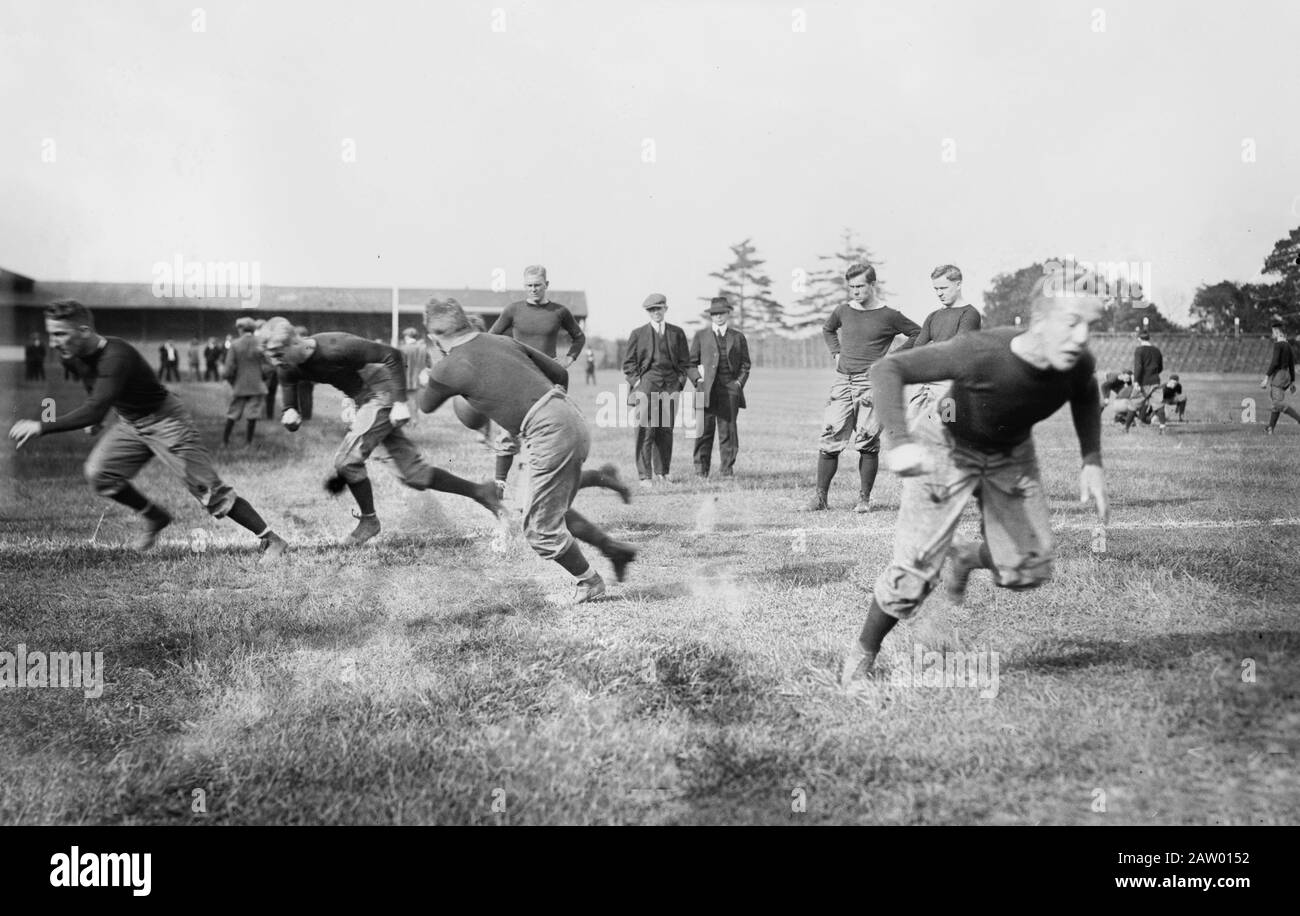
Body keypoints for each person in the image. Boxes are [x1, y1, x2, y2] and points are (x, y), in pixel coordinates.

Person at [840, 280, 1107, 686]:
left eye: (1090, 325)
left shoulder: (1077, 361)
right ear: (1039, 321)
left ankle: (965, 557)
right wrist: (900, 442)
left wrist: (1091, 460)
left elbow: (1086, 392)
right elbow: (888, 368)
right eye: (1071, 323)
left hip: (1010, 455)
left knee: (1026, 569)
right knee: (914, 574)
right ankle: (863, 653)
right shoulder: (980, 352)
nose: (1083, 338)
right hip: (945, 446)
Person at [7, 300, 287, 561]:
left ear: (83, 330)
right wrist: (101, 416)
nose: (54, 342)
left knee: (209, 492)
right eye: (51, 334)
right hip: (131, 423)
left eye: (60, 334)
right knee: (99, 474)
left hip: (167, 421)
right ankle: (155, 517)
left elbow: (93, 406)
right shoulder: (72, 354)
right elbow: (93, 386)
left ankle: (271, 539)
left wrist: (42, 425)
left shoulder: (117, 356)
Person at [419, 298, 635, 603]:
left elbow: (425, 405)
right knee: (540, 507)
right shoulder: (503, 340)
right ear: (465, 322)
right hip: (569, 415)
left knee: (538, 531)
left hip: (547, 432)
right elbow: (561, 374)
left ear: (434, 335)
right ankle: (614, 550)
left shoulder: (448, 366)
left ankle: (590, 582)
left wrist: (434, 374)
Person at [257, 317, 502, 545]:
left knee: (346, 461)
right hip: (364, 399)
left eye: (278, 354)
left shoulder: (336, 345)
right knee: (413, 475)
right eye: (271, 357)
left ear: (295, 342)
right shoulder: (286, 366)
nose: (275, 362)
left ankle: (369, 520)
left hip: (382, 393)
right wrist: (290, 412)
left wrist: (399, 402)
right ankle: (482, 492)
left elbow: (392, 355)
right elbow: (289, 391)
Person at [811, 264, 921, 511]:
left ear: (873, 285)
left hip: (871, 385)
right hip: (842, 381)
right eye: (851, 287)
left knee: (867, 440)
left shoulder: (890, 315)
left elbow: (918, 333)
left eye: (860, 286)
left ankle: (863, 499)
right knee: (830, 437)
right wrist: (836, 353)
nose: (855, 291)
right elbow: (828, 329)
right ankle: (820, 498)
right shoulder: (842, 311)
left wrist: (891, 358)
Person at [487, 265, 586, 495]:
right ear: (524, 286)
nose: (533, 289)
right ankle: (499, 484)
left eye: (537, 285)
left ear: (546, 285)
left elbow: (579, 337)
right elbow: (491, 337)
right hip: (518, 376)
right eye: (529, 286)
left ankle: (546, 485)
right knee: (508, 429)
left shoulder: (559, 311)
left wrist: (568, 359)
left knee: (550, 430)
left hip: (547, 378)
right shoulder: (513, 310)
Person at [622, 294, 691, 487]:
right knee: (645, 430)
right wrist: (638, 383)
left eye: (659, 308)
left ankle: (663, 472)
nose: (656, 312)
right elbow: (628, 364)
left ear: (665, 309)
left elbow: (685, 362)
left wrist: (679, 382)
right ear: (648, 312)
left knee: (665, 430)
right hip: (647, 384)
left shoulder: (677, 333)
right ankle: (645, 476)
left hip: (670, 385)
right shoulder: (638, 334)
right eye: (652, 310)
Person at [689, 297, 750, 479]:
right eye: (715, 314)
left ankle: (726, 470)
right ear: (711, 316)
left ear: (728, 314)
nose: (718, 317)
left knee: (728, 433)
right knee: (703, 433)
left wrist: (738, 384)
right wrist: (698, 380)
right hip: (704, 392)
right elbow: (690, 364)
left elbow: (746, 365)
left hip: (729, 391)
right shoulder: (700, 336)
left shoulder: (738, 337)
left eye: (722, 313)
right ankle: (701, 471)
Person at [222, 317, 268, 447]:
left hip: (240, 385)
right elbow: (269, 365)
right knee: (253, 414)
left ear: (241, 329)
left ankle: (225, 441)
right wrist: (262, 377)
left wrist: (231, 380)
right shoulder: (260, 343)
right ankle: (248, 442)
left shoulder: (235, 345)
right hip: (257, 384)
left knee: (233, 413)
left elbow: (228, 368)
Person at [1261, 320, 1300, 434]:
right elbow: (1291, 364)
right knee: (1275, 402)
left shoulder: (1278, 344)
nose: (1273, 334)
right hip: (1286, 375)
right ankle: (1270, 428)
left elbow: (1274, 362)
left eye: (1273, 331)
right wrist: (1292, 381)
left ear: (1277, 331)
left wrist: (1266, 377)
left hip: (1279, 376)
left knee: (1277, 403)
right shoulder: (1288, 345)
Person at [1127, 329, 1166, 434]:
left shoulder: (1139, 350)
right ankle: (1162, 427)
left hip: (1143, 382)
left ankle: (1126, 428)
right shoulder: (1157, 350)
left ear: (1139, 338)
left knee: (1133, 404)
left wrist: (1136, 381)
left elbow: (1138, 366)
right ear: (1149, 338)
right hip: (1155, 381)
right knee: (1159, 404)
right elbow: (1160, 367)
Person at [399, 327, 431, 424]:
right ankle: (414, 418)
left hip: (405, 377)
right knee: (414, 400)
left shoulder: (402, 349)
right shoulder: (423, 348)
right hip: (419, 378)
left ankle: (410, 419)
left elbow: (400, 364)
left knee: (406, 400)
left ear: (407, 336)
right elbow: (429, 364)